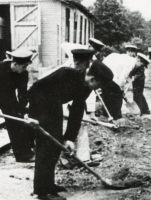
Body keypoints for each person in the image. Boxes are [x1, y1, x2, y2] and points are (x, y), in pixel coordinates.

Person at [28, 60, 114, 200]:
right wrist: (30, 116)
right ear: (92, 78)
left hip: (53, 109)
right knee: (46, 148)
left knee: (56, 146)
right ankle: (42, 191)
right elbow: (34, 89)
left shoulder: (86, 86)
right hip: (40, 108)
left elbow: (77, 110)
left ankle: (48, 184)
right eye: (98, 85)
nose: (97, 89)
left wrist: (69, 138)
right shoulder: (65, 73)